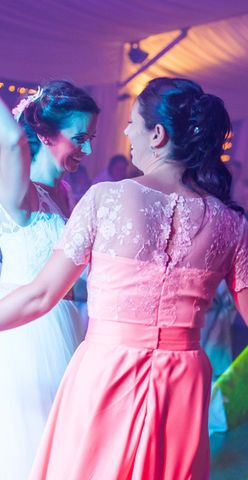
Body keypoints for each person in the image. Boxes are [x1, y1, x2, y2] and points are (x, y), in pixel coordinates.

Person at [0, 77, 248, 479]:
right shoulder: (232, 224)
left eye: (132, 122)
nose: (125, 131)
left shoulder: (105, 199)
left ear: (157, 134)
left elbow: (40, 296)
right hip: (182, 379)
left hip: (105, 370)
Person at [0, 81, 99, 479]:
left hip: (69, 328)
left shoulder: (66, 192)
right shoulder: (18, 195)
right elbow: (10, 141)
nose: (88, 150)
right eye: (80, 138)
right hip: (28, 337)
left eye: (91, 139)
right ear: (44, 134)